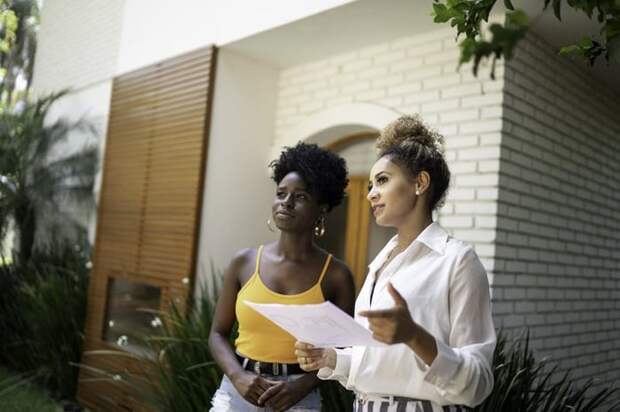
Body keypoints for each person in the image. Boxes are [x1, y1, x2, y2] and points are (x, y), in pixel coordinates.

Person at [295, 115, 496, 412]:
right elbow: (381, 364)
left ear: (420, 183)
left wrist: (415, 336)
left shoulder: (457, 262)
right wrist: (330, 358)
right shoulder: (380, 263)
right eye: (371, 184)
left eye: (383, 180)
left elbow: (478, 384)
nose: (370, 193)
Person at [208, 142, 356, 412]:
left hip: (298, 399)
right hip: (238, 392)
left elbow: (344, 351)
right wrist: (238, 377)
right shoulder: (244, 262)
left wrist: (301, 386)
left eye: (300, 197)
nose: (286, 202)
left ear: (321, 209)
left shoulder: (336, 275)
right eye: (281, 193)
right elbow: (217, 334)